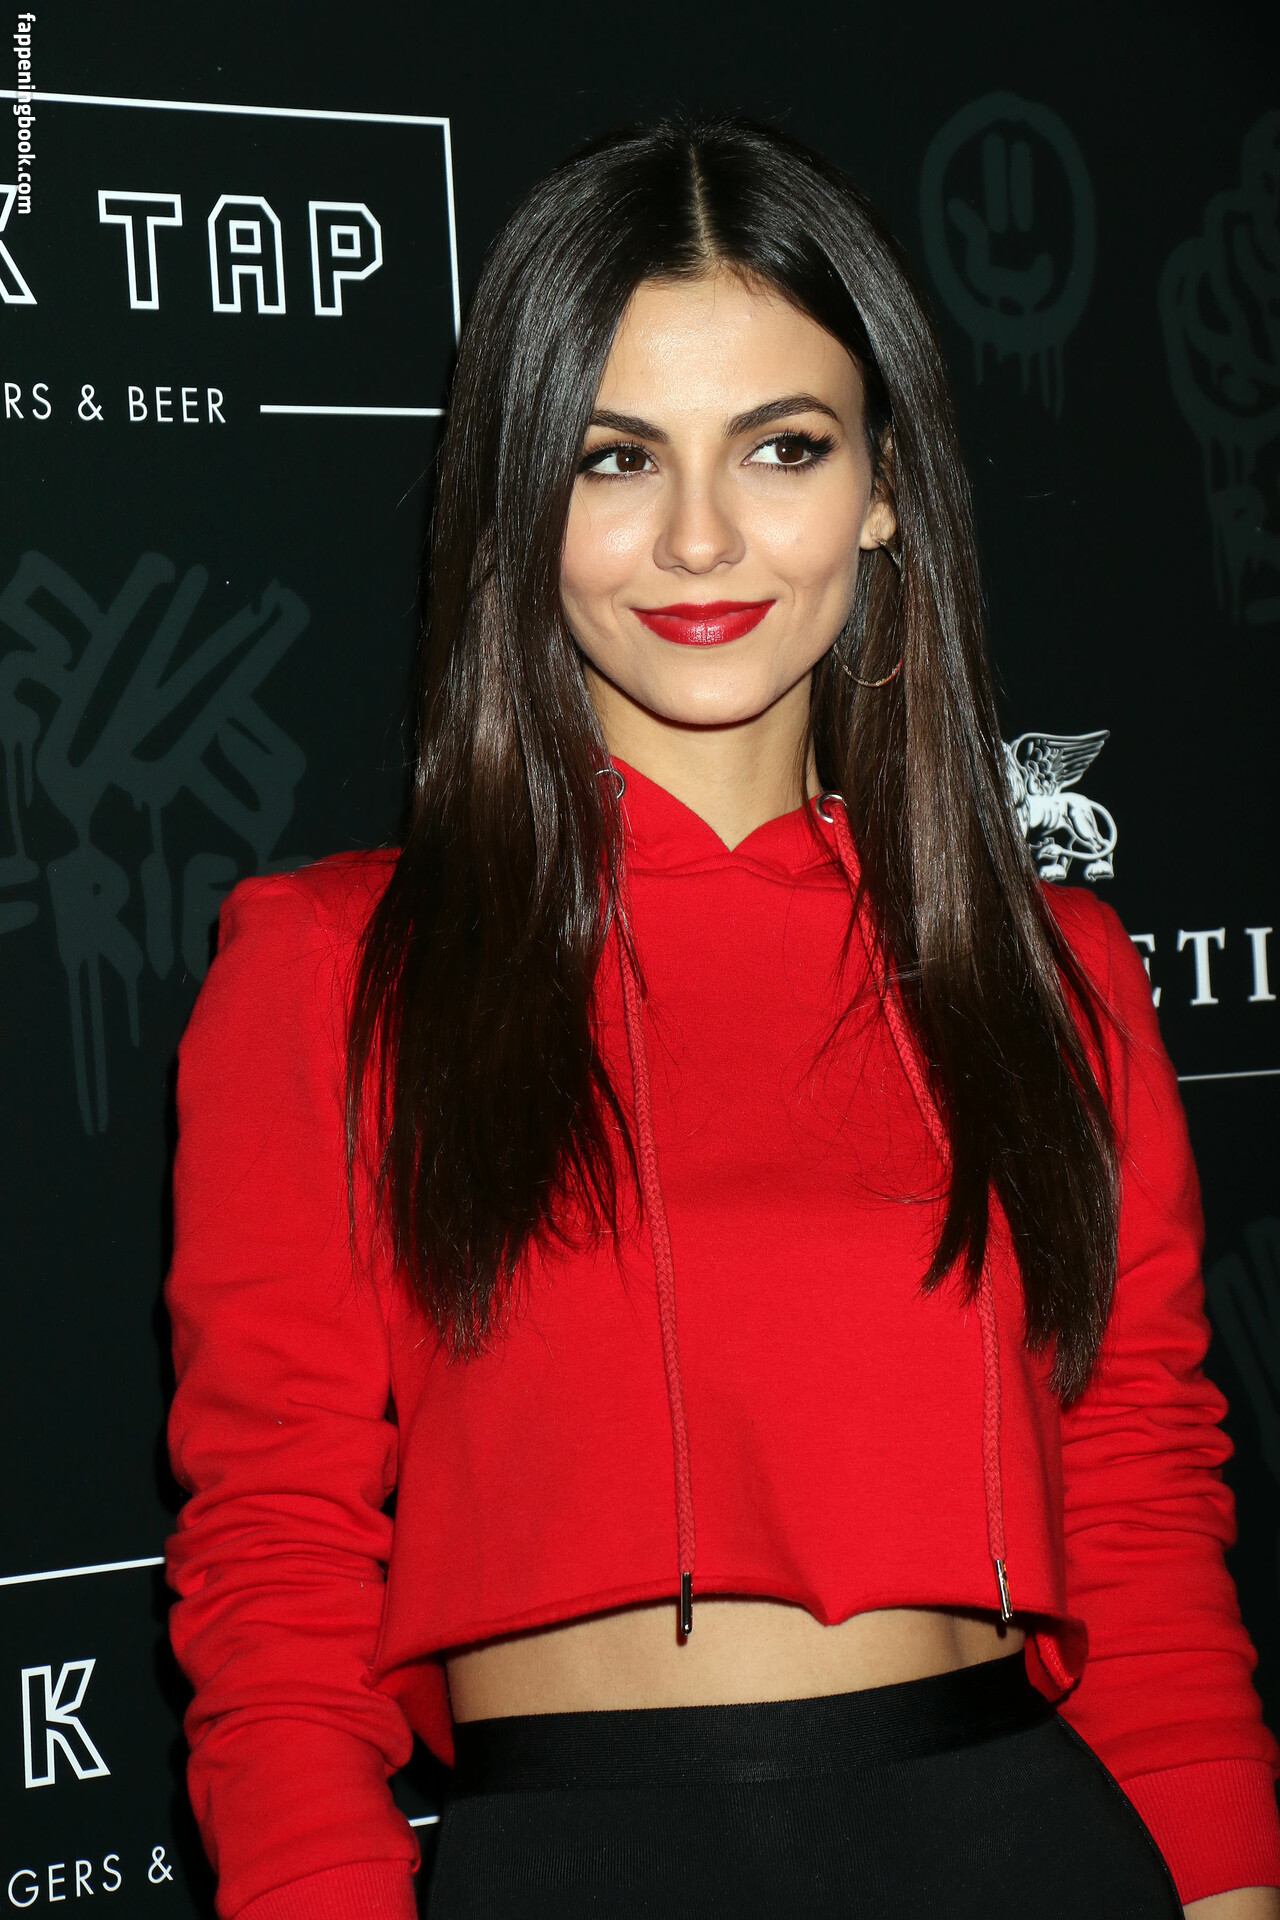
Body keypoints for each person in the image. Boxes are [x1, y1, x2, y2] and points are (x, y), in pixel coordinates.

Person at [164, 118, 1280, 1920]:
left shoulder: (1053, 973)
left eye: (782, 446)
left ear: (884, 484)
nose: (700, 539)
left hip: (1026, 1845)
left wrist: (1227, 1891)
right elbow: (274, 1573)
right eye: (615, 458)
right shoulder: (333, 969)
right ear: (522, 500)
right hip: (583, 1860)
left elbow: (1139, 1508)